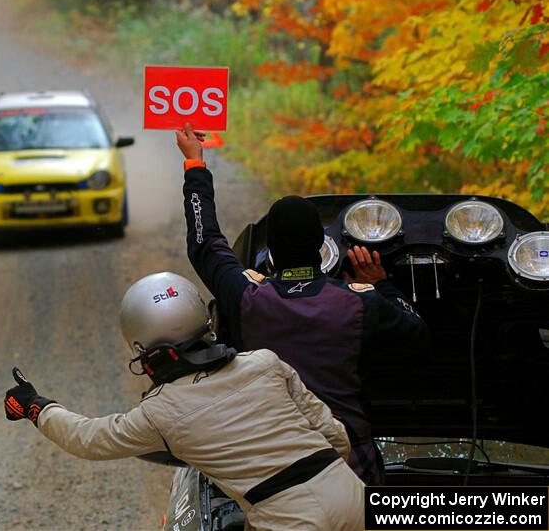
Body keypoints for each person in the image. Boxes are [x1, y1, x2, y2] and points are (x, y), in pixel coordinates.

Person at [4, 272, 364, 531]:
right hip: (353, 497)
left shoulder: (160, 412)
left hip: (288, 519)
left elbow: (90, 438)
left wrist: (37, 407)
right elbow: (336, 437)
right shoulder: (265, 362)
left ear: (145, 353)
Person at [174, 123, 428, 485]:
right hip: (352, 473)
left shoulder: (249, 298)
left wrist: (194, 164)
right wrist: (383, 285)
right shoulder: (360, 302)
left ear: (272, 252)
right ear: (320, 246)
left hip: (273, 478)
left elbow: (204, 243)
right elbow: (418, 334)